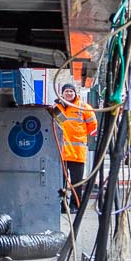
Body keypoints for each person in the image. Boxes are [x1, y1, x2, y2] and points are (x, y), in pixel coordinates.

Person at [55, 82, 97, 213]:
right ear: (62, 93)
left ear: (75, 93)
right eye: (66, 91)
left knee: (76, 183)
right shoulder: (56, 108)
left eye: (70, 91)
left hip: (77, 153)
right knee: (59, 182)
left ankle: (75, 206)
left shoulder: (84, 108)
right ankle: (61, 206)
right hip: (60, 153)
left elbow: (93, 127)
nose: (68, 93)